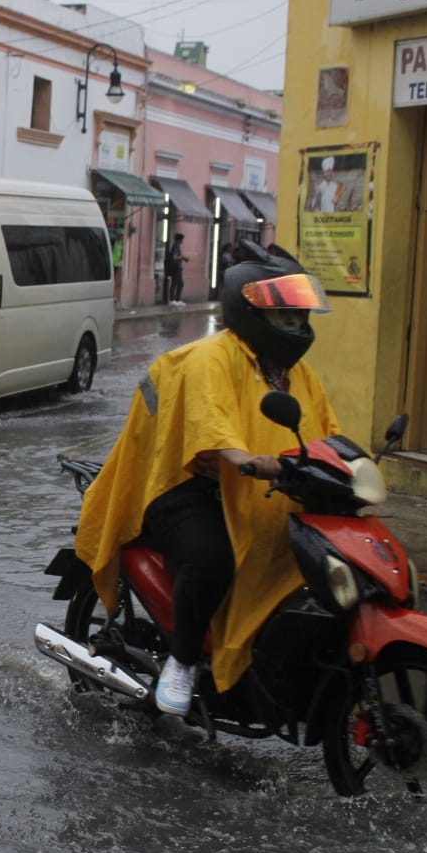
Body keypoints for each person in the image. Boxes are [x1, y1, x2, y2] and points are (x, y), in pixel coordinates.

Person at [73, 241, 339, 716]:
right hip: (183, 487)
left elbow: (328, 433)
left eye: (301, 318)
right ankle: (182, 659)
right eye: (287, 319)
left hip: (256, 493)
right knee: (212, 558)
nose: (297, 328)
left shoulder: (296, 375)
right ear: (250, 312)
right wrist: (249, 460)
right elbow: (210, 426)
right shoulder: (211, 358)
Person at [163, 233, 187, 305]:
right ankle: (173, 299)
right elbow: (174, 257)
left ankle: (177, 299)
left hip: (178, 268)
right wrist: (183, 258)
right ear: (179, 240)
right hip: (176, 268)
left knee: (180, 284)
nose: (182, 241)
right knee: (175, 283)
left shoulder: (176, 246)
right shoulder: (175, 246)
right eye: (182, 240)